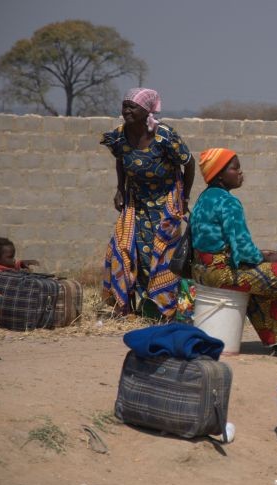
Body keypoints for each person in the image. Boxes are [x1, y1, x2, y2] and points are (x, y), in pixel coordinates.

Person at [190, 148, 277, 364]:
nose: (240, 172)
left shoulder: (204, 198)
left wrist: (262, 255)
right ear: (219, 174)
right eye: (235, 168)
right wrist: (268, 258)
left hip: (202, 270)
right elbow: (244, 251)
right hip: (222, 273)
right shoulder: (228, 202)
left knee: (263, 277)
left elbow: (226, 245)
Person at [101, 88, 196, 319]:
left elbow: (189, 163)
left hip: (166, 204)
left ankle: (167, 311)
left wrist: (184, 198)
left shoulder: (163, 136)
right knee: (125, 250)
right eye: (125, 106)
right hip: (137, 203)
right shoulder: (120, 135)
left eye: (132, 106)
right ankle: (130, 308)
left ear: (147, 111)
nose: (126, 111)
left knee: (162, 256)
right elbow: (121, 161)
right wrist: (120, 189)